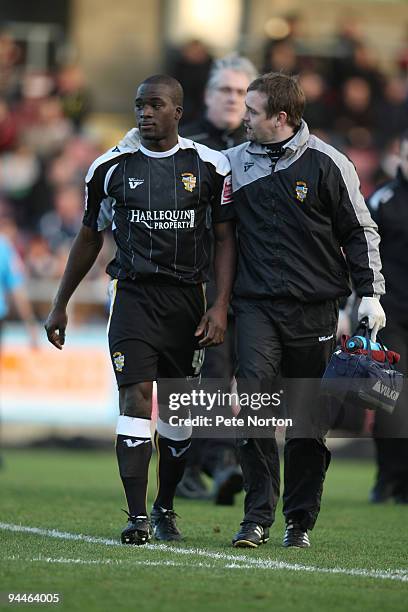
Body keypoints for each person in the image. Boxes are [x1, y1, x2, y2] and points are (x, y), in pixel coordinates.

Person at [45, 75, 236, 546]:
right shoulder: (109, 168)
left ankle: (165, 507)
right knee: (134, 399)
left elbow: (227, 238)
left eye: (155, 105)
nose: (145, 113)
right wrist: (60, 304)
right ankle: (137, 517)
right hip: (132, 297)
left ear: (178, 111)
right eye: (139, 105)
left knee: (177, 412)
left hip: (188, 300)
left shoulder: (209, 166)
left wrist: (221, 306)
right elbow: (89, 237)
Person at [222, 72, 386, 548]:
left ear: (282, 118)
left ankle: (299, 521)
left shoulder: (330, 163)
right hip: (254, 308)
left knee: (307, 424)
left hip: (315, 311)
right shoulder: (231, 163)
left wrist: (370, 293)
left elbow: (360, 232)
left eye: (251, 111)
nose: (243, 117)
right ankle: (255, 517)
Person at [177, 55, 257, 504]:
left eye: (241, 92)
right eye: (224, 90)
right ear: (207, 96)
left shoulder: (263, 147)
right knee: (205, 370)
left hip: (251, 276)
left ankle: (212, 460)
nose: (232, 99)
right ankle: (210, 460)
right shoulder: (184, 144)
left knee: (240, 373)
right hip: (194, 275)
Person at [366, 130, 408, 503]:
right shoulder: (384, 199)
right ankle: (389, 478)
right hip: (392, 315)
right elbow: (361, 250)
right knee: (392, 400)